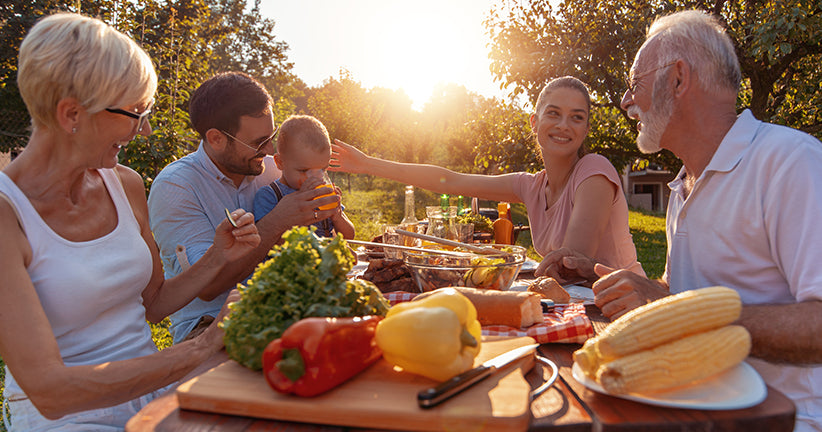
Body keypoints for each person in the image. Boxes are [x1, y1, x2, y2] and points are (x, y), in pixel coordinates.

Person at [546, 10, 822, 432]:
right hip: (688, 406)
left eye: (635, 84)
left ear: (677, 79)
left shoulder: (790, 162)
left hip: (783, 419)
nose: (625, 101)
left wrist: (676, 308)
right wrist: (625, 283)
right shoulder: (683, 185)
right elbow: (682, 295)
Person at [0, 13, 260, 430]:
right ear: (72, 115)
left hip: (154, 388)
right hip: (70, 417)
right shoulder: (7, 214)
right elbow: (51, 391)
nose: (145, 128)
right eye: (135, 112)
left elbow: (152, 303)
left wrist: (217, 257)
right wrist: (204, 347)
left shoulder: (125, 183)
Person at [331, 76, 644, 281]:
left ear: (586, 129)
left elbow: (571, 265)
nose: (564, 125)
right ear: (534, 123)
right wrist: (368, 163)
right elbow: (449, 181)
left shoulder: (594, 170)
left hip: (624, 311)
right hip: (576, 305)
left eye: (577, 117)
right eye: (554, 113)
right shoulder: (532, 185)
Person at [147, 73, 340, 344]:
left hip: (282, 310)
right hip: (210, 325)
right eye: (259, 142)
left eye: (271, 137)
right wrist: (278, 220)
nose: (270, 149)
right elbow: (208, 287)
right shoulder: (177, 187)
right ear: (216, 139)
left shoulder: (273, 169)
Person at [254, 115, 355, 239]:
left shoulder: (323, 195)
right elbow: (264, 242)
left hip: (324, 258)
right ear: (280, 162)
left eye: (322, 169)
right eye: (304, 170)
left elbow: (349, 236)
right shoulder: (269, 196)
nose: (315, 178)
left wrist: (337, 216)